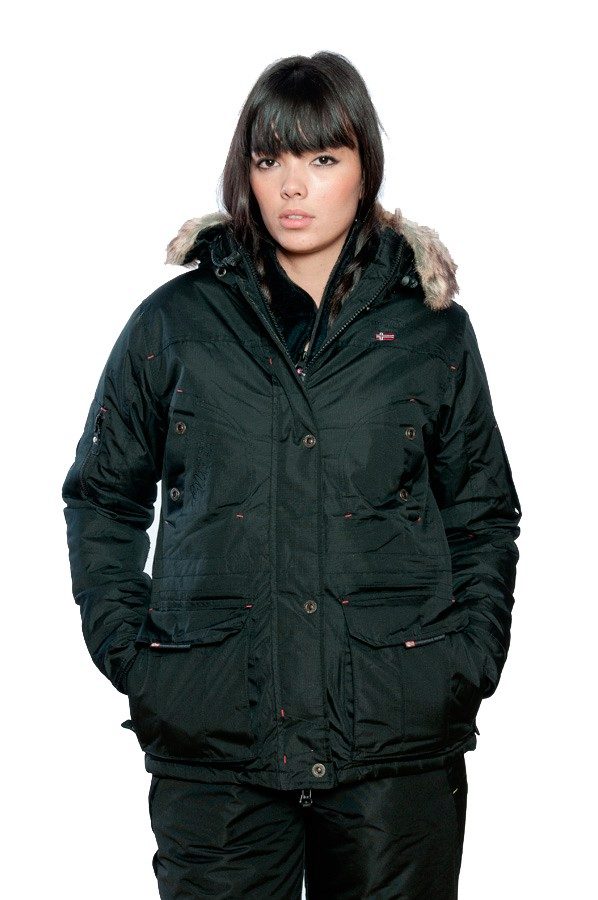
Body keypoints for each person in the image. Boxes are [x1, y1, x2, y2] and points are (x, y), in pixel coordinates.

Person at [61, 51, 522, 899]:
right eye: (269, 159)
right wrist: (137, 659)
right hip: (217, 745)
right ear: (245, 170)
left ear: (364, 168)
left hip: (394, 742)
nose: (293, 187)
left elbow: (483, 513)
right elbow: (102, 497)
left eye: (323, 158)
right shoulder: (174, 326)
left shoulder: (432, 334)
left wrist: (465, 664)